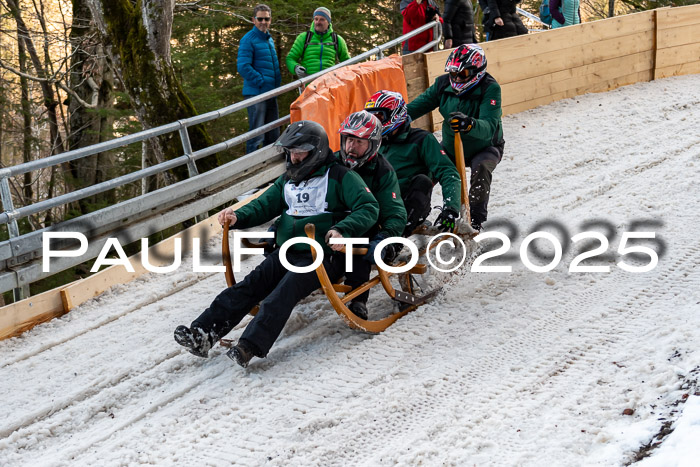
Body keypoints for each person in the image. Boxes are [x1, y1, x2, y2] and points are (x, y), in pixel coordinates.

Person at [174, 121, 379, 367]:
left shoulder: (341, 176)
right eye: (291, 151)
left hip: (323, 257)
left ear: (317, 151)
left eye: (300, 151)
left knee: (283, 292)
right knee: (248, 287)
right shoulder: (288, 180)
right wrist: (238, 216)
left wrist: (342, 230)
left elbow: (368, 207)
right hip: (288, 251)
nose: (294, 156)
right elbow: (264, 204)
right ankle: (203, 334)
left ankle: (250, 345)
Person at [406, 45, 504, 231]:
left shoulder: (490, 89)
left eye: (463, 73)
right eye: (453, 73)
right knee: (424, 172)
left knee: (481, 169)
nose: (457, 78)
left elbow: (489, 126)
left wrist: (469, 124)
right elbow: (418, 106)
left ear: (477, 71)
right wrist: (395, 117)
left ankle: (475, 220)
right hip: (451, 145)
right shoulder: (443, 84)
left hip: (485, 146)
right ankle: (414, 214)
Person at [335, 111, 407, 320]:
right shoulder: (331, 163)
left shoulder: (382, 171)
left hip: (362, 226)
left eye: (359, 142)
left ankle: (357, 297)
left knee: (361, 243)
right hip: (330, 223)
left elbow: (394, 212)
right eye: (349, 140)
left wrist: (386, 239)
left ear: (373, 145)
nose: (351, 147)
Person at [365, 90, 463, 235]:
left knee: (422, 181)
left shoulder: (422, 139)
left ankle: (396, 235)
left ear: (395, 115)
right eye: (371, 118)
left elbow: (448, 172)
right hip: (377, 202)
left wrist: (451, 209)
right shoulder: (371, 143)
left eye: (379, 117)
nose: (375, 123)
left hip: (408, 204)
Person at [237, 4, 282, 154]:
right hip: (256, 93)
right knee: (257, 133)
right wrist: (261, 81)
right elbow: (243, 66)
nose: (264, 21)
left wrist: (275, 86)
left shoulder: (269, 39)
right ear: (253, 20)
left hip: (271, 93)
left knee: (273, 132)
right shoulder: (248, 39)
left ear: (270, 20)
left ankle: (269, 164)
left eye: (266, 19)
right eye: (260, 18)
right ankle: (251, 167)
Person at [286, 7, 350, 79]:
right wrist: (296, 68)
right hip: (308, 83)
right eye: (316, 19)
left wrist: (340, 75)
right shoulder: (304, 37)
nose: (318, 22)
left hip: (329, 85)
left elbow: (347, 62)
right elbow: (290, 58)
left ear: (328, 21)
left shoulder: (337, 39)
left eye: (322, 19)